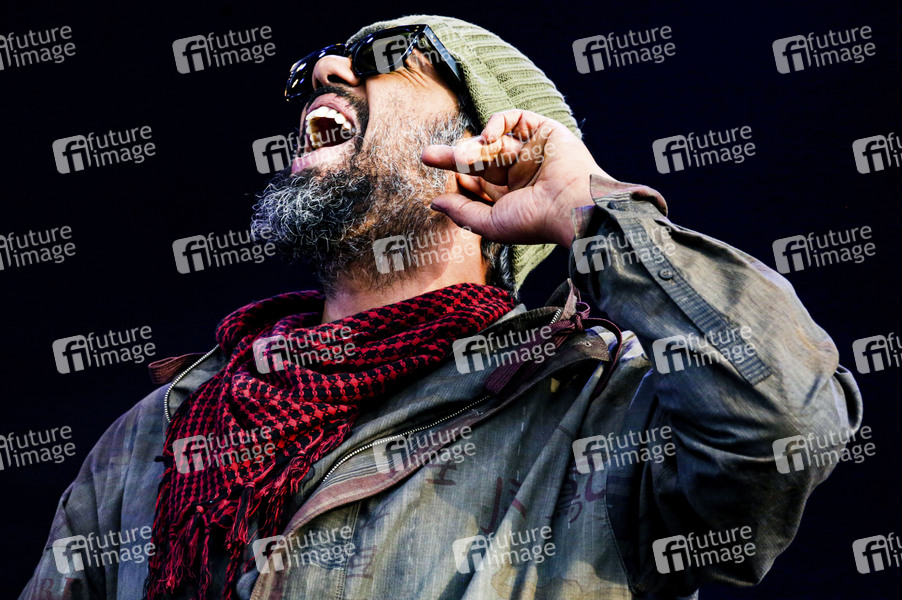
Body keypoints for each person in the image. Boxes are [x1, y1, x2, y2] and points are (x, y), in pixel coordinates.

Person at [20, 14, 861, 600]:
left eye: (388, 54)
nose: (325, 74)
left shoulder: (597, 405)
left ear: (484, 146)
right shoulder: (162, 429)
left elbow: (783, 423)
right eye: (318, 64)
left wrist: (590, 208)